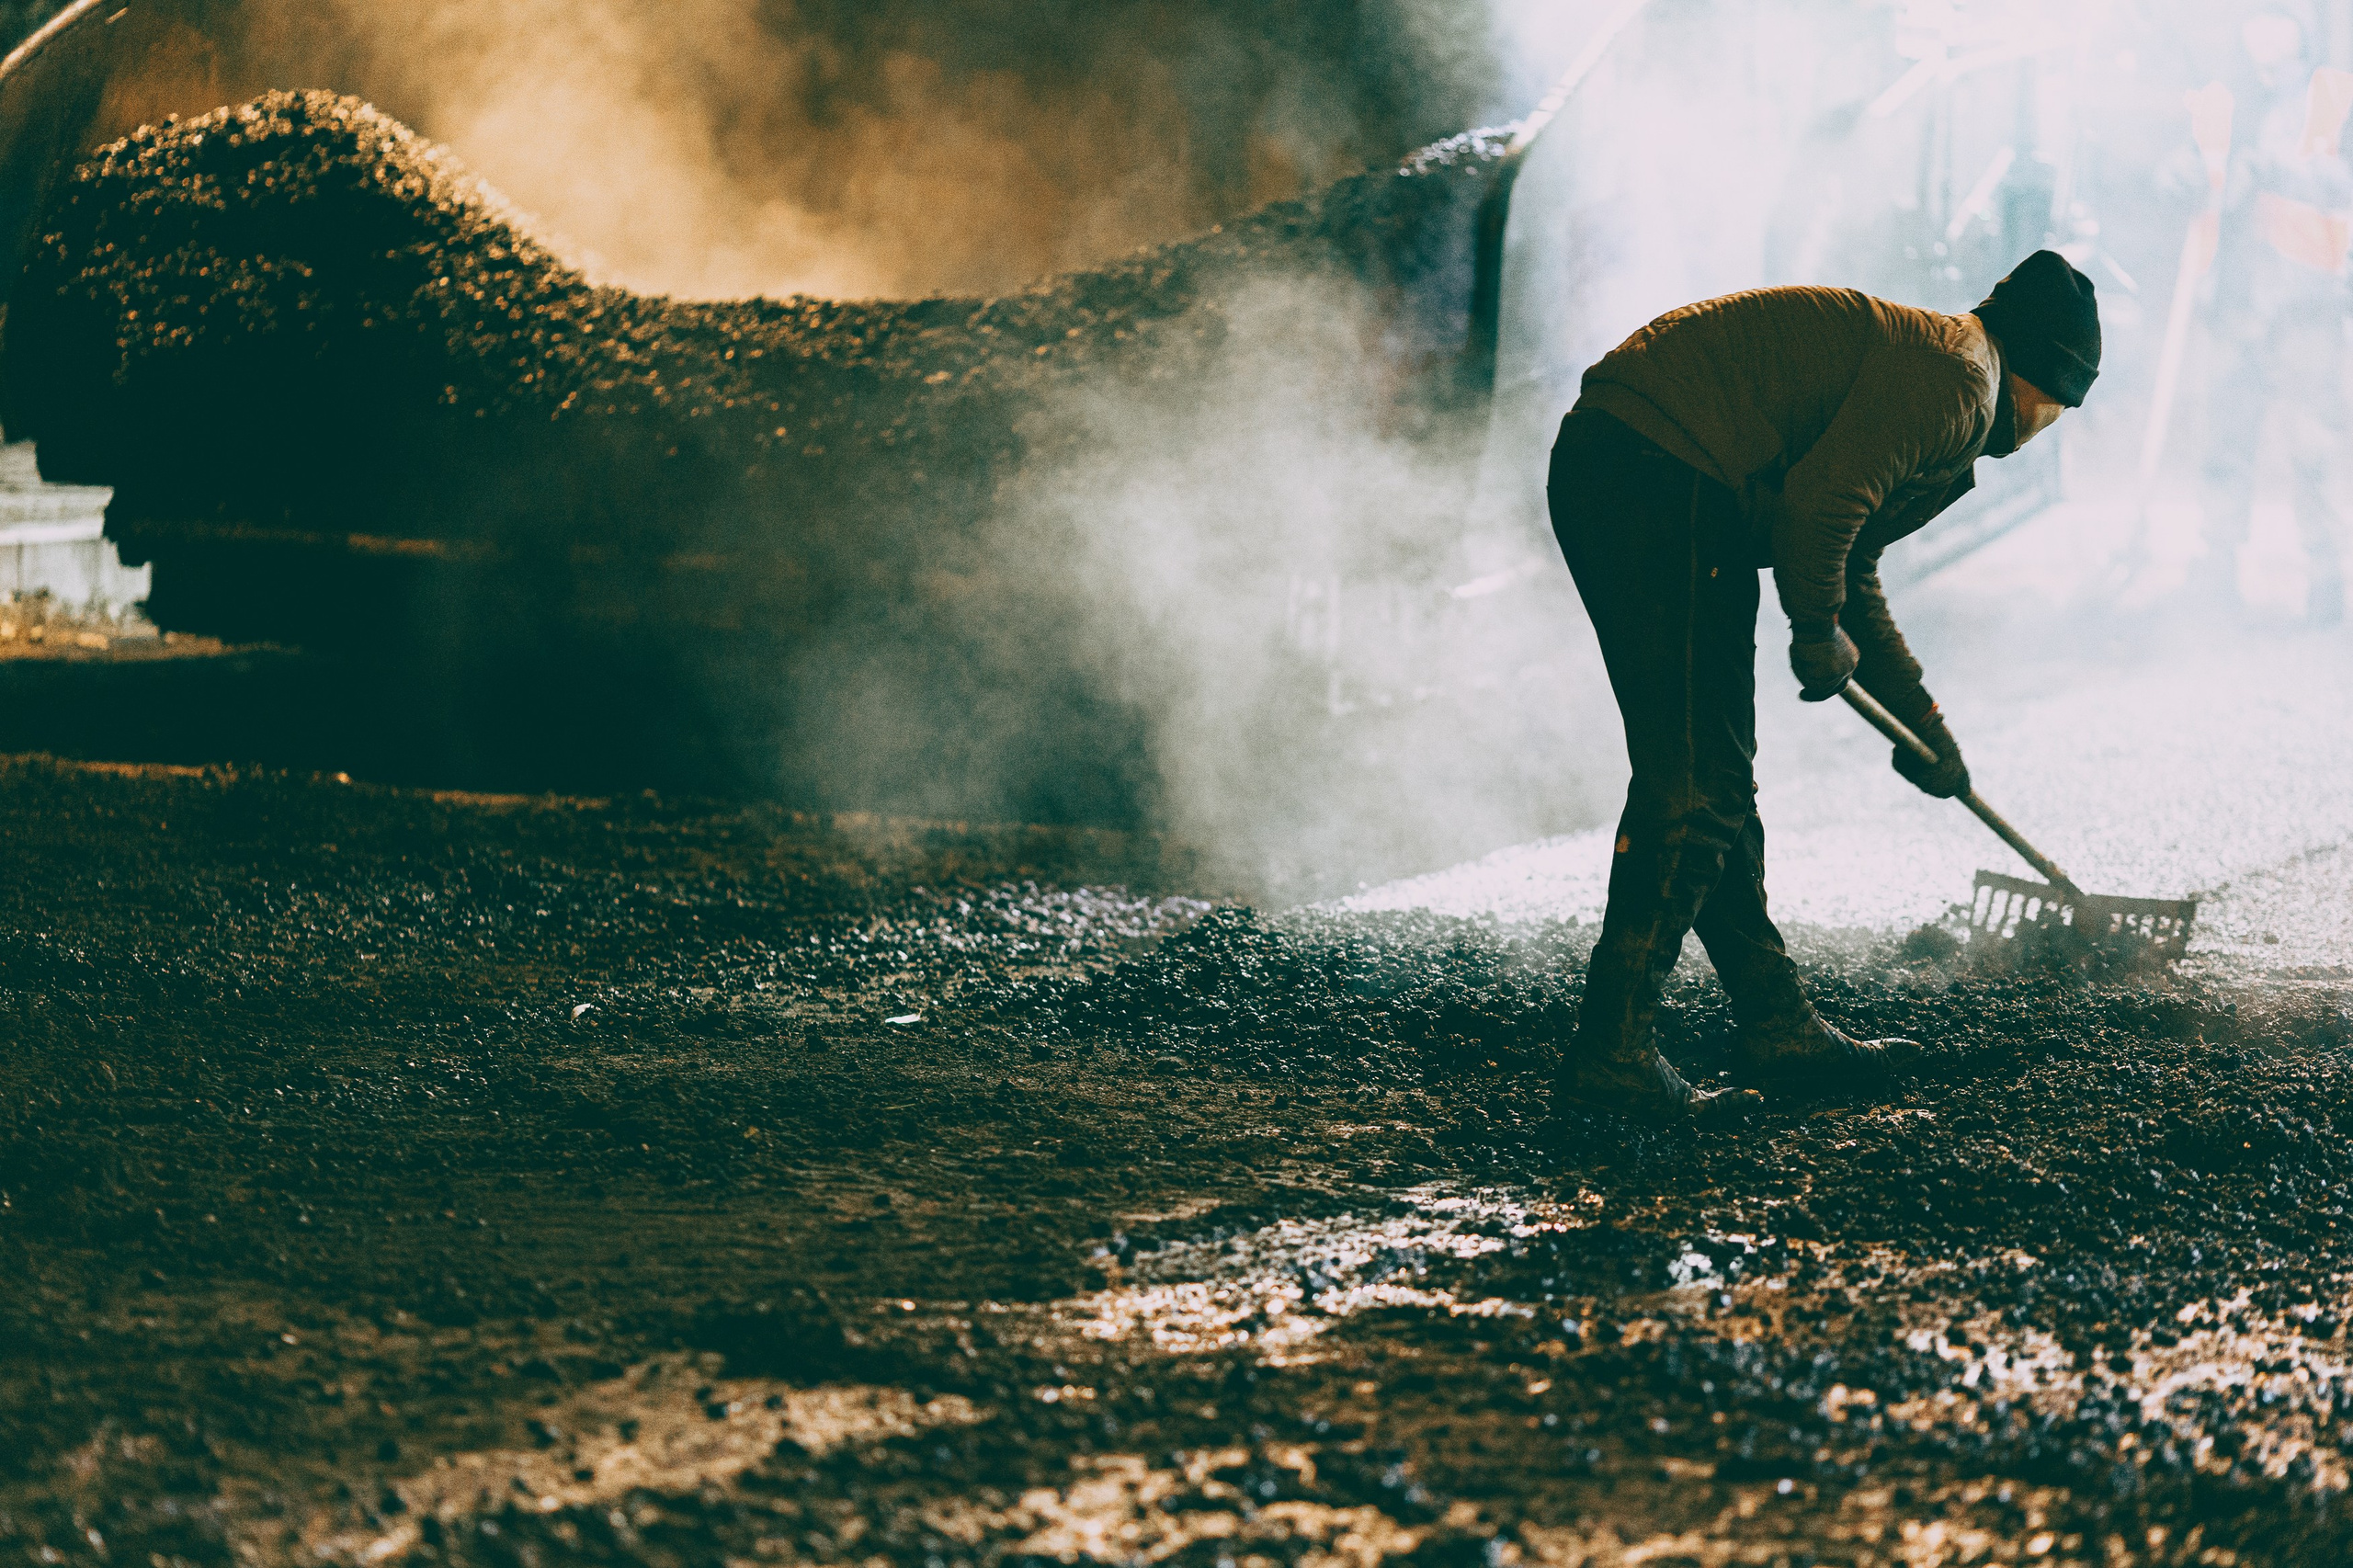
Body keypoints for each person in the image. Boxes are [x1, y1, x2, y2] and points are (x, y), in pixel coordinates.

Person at [1546, 250, 2099, 1120]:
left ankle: (1775, 1022)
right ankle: (1612, 1051)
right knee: (1697, 785)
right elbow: (1820, 512)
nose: (2051, 423)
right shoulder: (1959, 383)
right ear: (2040, 378)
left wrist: (1921, 720)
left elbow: (1856, 555)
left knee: (1714, 778)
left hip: (1638, 461)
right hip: (1663, 466)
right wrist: (1812, 627)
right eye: (2061, 404)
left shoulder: (1943, 370)